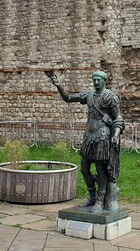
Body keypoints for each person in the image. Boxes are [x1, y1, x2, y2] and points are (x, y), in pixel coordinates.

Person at [48, 71, 124, 212]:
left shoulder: (109, 97)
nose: (96, 82)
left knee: (101, 170)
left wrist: (115, 134)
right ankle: (92, 197)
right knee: (84, 168)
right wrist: (59, 86)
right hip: (89, 136)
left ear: (104, 81)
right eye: (94, 79)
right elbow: (69, 98)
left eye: (98, 80)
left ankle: (100, 202)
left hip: (103, 135)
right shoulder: (88, 95)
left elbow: (118, 117)